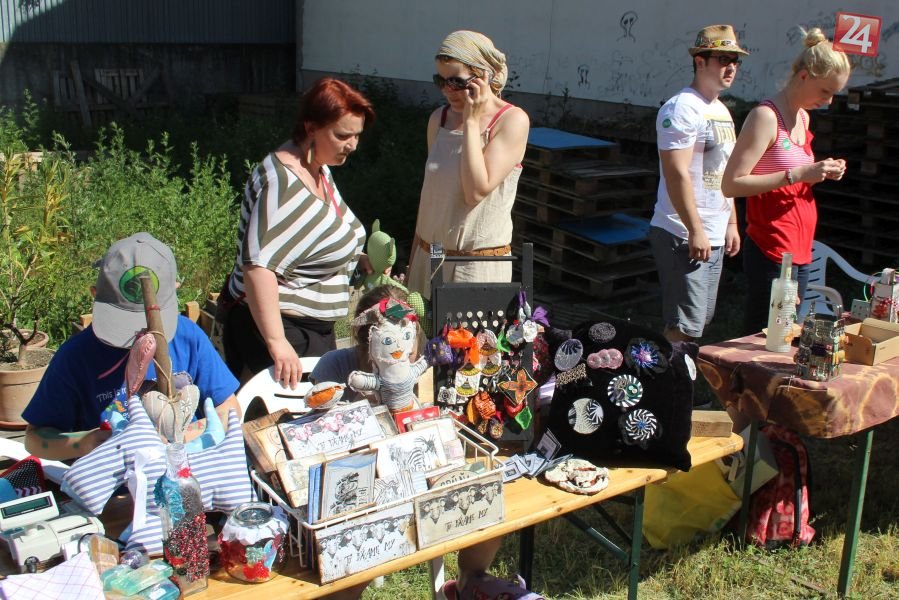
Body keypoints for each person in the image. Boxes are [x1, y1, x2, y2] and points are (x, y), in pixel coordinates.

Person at [23, 233, 241, 460]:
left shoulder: (188, 337)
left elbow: (229, 409)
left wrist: (183, 438)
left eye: (151, 326)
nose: (140, 336)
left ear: (176, 289)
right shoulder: (75, 357)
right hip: (113, 475)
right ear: (94, 295)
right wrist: (89, 442)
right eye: (123, 324)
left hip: (187, 465)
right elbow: (35, 438)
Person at [222, 77, 374, 389]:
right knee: (295, 415)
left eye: (357, 135)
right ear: (310, 127)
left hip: (309, 330)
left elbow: (310, 232)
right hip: (285, 332)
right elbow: (258, 266)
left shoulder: (317, 167)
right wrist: (277, 343)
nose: (353, 145)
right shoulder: (281, 184)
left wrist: (353, 255)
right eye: (343, 135)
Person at [722, 28, 850, 334]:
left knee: (785, 332)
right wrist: (798, 174)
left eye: (834, 93)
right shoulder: (765, 117)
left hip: (800, 247)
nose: (829, 101)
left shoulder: (803, 117)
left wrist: (821, 172)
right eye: (825, 91)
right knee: (763, 336)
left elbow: (794, 179)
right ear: (804, 76)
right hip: (771, 246)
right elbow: (732, 183)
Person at [406, 30, 530, 299]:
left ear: (484, 75)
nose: (447, 90)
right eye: (440, 80)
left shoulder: (511, 121)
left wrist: (471, 122)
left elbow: (475, 191)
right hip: (427, 259)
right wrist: (412, 259)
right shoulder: (438, 119)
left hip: (475, 267)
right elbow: (430, 197)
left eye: (456, 81)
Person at [648, 24, 746, 342]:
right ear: (700, 61)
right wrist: (695, 229)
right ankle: (663, 373)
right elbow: (676, 173)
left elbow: (725, 171)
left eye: (735, 60)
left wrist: (731, 222)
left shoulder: (720, 110)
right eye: (723, 59)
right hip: (681, 232)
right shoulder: (681, 108)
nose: (731, 67)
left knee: (699, 321)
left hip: (712, 232)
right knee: (684, 328)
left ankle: (668, 369)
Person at [310, 285, 412, 404]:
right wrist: (362, 402)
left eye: (407, 338)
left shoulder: (417, 368)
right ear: (366, 343)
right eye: (388, 342)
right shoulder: (334, 364)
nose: (400, 354)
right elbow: (320, 413)